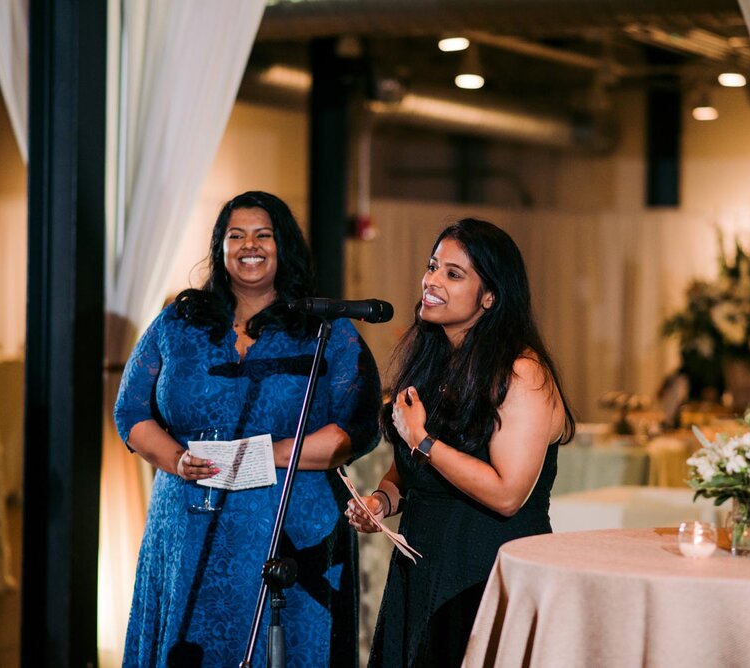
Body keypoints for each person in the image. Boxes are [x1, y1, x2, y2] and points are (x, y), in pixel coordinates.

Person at [114, 191, 382, 667]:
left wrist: (268, 454)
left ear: (285, 246)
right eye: (235, 235)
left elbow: (357, 427)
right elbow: (130, 413)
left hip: (289, 533)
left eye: (263, 234)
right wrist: (175, 459)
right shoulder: (178, 322)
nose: (248, 245)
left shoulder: (323, 329)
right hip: (189, 526)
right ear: (219, 247)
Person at [346, 218, 575, 667]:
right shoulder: (434, 364)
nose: (432, 281)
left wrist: (424, 440)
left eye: (454, 274)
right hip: (421, 570)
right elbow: (411, 470)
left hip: (483, 575)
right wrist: (381, 500)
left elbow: (509, 494)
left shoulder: (521, 373)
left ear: (490, 296)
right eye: (433, 267)